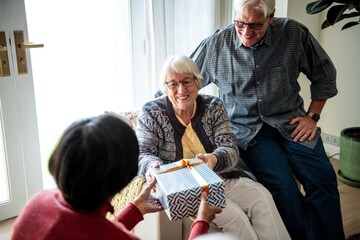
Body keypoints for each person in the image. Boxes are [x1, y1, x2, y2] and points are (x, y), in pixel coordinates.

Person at [189, 0, 345, 239]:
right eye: (240, 23)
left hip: (292, 123)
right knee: (282, 187)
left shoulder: (293, 33)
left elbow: (325, 74)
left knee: (323, 179)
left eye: (255, 25)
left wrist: (312, 117)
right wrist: (149, 110)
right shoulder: (216, 44)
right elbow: (182, 81)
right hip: (249, 132)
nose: (246, 32)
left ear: (271, 17)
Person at [137, 55, 290, 240]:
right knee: (234, 216)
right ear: (165, 87)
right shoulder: (151, 112)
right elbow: (143, 153)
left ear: (197, 82)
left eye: (187, 82)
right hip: (184, 187)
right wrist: (153, 167)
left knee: (262, 197)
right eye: (173, 84)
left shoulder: (213, 106)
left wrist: (214, 159)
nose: (181, 90)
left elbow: (230, 147)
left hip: (219, 176)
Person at [11, 114, 220, 240]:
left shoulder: (37, 204)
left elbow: (90, 234)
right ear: (124, 176)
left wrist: (134, 210)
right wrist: (201, 223)